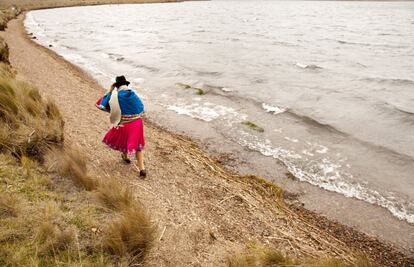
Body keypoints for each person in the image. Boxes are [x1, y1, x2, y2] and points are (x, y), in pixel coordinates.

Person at [96, 75, 146, 177]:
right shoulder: (133, 94)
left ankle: (125, 156)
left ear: (116, 85)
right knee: (137, 146)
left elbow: (100, 105)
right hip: (137, 123)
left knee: (123, 138)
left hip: (124, 124)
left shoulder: (114, 95)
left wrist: (110, 91)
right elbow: (141, 108)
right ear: (126, 85)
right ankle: (142, 169)